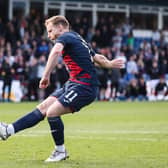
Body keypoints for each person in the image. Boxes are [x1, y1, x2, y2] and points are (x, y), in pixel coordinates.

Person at [0, 15, 124, 162]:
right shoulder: (77, 38)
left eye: (50, 31)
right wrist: (109, 63)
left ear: (60, 27)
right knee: (43, 107)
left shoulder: (66, 37)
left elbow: (55, 52)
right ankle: (8, 130)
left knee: (52, 112)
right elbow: (96, 57)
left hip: (85, 86)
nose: (49, 35)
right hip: (73, 83)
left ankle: (60, 151)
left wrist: (45, 75)